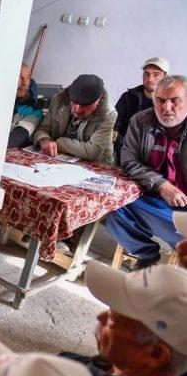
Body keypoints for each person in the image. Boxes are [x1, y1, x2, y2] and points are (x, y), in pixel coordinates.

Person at [106, 75, 187, 268]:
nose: (167, 108)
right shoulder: (140, 121)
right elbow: (129, 161)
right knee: (113, 208)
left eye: (174, 100)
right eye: (160, 100)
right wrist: (161, 184)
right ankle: (147, 254)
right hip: (149, 197)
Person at [31, 74, 116, 164]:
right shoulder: (58, 101)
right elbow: (42, 129)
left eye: (85, 105)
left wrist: (59, 142)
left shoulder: (108, 114)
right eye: (74, 102)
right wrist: (44, 140)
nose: (78, 110)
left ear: (98, 100)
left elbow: (92, 151)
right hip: (60, 159)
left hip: (97, 165)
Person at [114, 57, 169, 163]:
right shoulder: (128, 97)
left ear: (165, 76)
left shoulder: (169, 103)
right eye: (146, 74)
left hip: (155, 160)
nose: (150, 79)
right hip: (123, 155)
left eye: (156, 74)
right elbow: (115, 127)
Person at [7, 63, 43, 148]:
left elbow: (16, 138)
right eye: (20, 77)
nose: (25, 83)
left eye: (28, 77)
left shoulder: (34, 110)